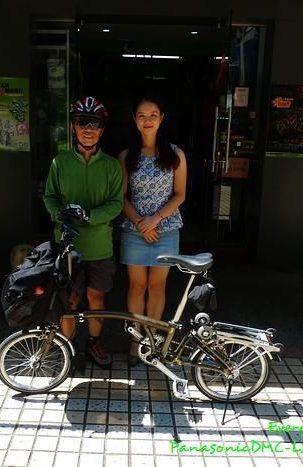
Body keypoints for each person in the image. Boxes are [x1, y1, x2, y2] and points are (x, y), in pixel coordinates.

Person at [43, 96, 123, 369]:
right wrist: (60, 214)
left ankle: (93, 342)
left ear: (102, 129)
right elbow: (50, 197)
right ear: (73, 126)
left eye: (94, 124)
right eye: (82, 122)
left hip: (99, 246)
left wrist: (89, 215)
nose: (88, 129)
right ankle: (68, 348)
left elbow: (116, 204)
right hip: (68, 244)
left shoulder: (111, 165)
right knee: (69, 299)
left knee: (96, 298)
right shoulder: (60, 162)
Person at [118, 95, 187, 366]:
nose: (147, 120)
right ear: (134, 120)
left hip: (166, 229)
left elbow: (180, 194)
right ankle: (135, 342)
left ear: (161, 119)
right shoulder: (126, 156)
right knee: (137, 286)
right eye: (142, 115)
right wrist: (140, 222)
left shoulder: (176, 154)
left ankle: (151, 341)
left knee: (158, 287)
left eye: (153, 115)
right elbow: (121, 197)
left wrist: (155, 219)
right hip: (135, 229)